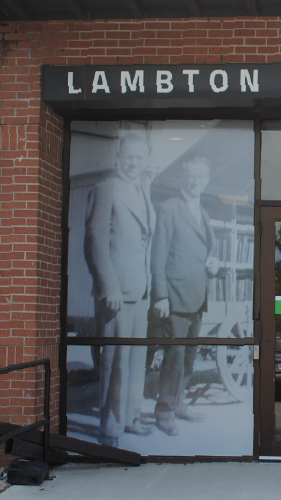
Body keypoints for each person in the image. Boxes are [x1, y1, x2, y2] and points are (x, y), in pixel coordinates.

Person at [84, 133, 158, 447]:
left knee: (135, 361)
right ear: (119, 157)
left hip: (140, 293)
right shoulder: (105, 189)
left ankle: (130, 417)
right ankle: (110, 427)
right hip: (116, 294)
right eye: (128, 156)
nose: (133, 162)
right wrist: (108, 286)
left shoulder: (144, 191)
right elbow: (95, 243)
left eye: (139, 158)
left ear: (146, 162)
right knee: (114, 363)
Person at [149, 157, 221, 436]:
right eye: (191, 177)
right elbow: (158, 257)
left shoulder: (203, 212)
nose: (196, 181)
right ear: (183, 179)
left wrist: (213, 265)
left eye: (201, 177)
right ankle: (164, 411)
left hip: (197, 297)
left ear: (206, 179)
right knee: (175, 356)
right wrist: (161, 296)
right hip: (175, 297)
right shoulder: (169, 208)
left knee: (190, 356)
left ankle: (179, 404)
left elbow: (205, 252)